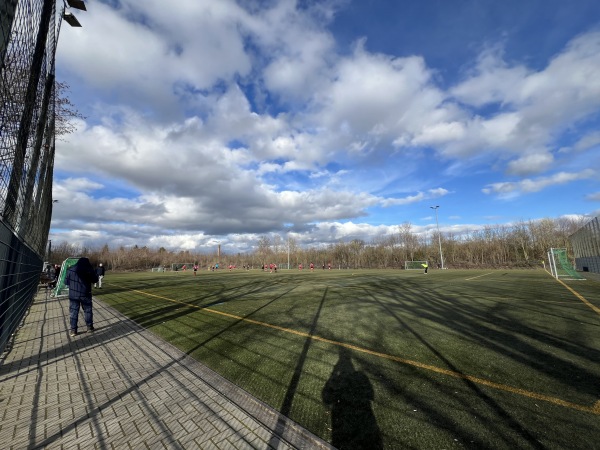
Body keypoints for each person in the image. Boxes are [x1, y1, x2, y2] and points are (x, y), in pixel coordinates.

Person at [65, 257, 98, 336]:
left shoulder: (70, 269)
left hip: (73, 294)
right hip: (85, 293)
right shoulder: (89, 269)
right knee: (88, 311)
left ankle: (73, 330)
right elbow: (95, 280)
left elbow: (66, 282)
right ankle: (89, 327)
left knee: (73, 312)